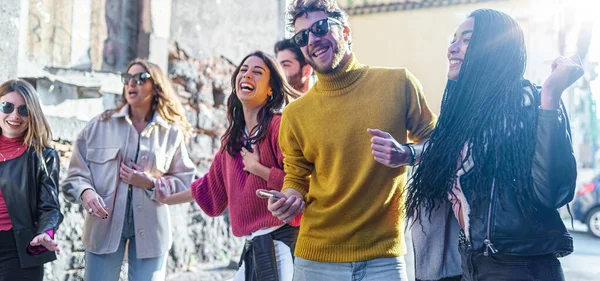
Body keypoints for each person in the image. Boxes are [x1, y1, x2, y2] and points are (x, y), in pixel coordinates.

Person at [404, 9, 583, 281]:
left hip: (519, 267)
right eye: (453, 40)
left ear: (495, 48)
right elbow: (442, 155)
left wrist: (550, 97)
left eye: (466, 39)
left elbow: (553, 193)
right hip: (471, 264)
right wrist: (405, 153)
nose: (452, 48)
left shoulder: (531, 103)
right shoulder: (466, 115)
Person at [266, 1, 437, 280]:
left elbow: (440, 146)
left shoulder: (398, 83)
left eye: (320, 27)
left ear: (345, 32)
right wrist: (288, 199)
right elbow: (296, 179)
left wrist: (408, 154)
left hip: (383, 258)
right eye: (302, 37)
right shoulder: (295, 114)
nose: (313, 40)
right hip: (315, 259)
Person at [154, 50, 302, 281]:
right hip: (254, 245)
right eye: (243, 70)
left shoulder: (278, 126)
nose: (247, 75)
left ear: (271, 89)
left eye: (257, 72)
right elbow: (206, 187)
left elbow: (301, 183)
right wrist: (167, 199)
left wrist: (258, 169)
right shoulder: (232, 140)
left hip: (282, 243)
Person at [61, 59, 196, 281]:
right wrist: (87, 193)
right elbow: (75, 175)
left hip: (151, 232)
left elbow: (186, 183)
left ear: (156, 86)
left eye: (141, 78)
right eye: (127, 79)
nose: (132, 83)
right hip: (103, 229)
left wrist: (151, 183)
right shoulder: (100, 125)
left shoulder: (170, 133)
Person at [0, 79, 63, 281]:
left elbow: (50, 207)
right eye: (7, 107)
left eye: (24, 110)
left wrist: (46, 232)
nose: (14, 115)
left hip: (18, 250)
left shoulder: (44, 156)